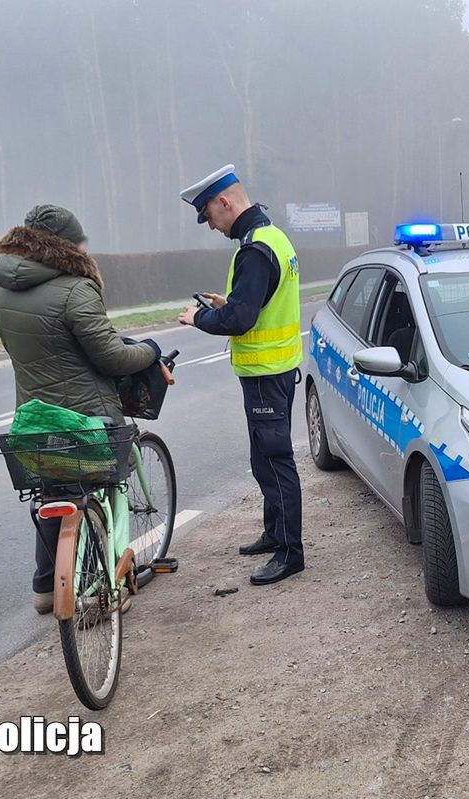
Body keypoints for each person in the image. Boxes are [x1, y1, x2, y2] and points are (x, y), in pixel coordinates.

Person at [0, 203, 161, 613]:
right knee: (96, 490)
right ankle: (97, 587)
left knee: (54, 492)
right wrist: (149, 351)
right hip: (87, 418)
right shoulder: (75, 288)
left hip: (34, 419)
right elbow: (111, 359)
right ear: (66, 246)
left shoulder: (4, 289)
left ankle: (45, 589)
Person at [176, 165, 305, 586]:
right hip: (276, 371)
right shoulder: (273, 237)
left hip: (267, 374)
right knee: (263, 458)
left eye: (209, 216)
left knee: (274, 460)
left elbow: (241, 320)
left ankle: (290, 552)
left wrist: (201, 317)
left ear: (224, 202)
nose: (211, 226)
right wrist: (226, 301)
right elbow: (258, 303)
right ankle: (274, 533)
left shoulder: (253, 249)